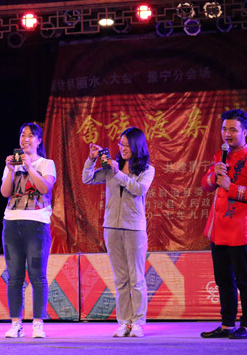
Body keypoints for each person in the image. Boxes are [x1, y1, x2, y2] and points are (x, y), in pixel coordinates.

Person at [200, 109, 247, 340]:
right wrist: (214, 176)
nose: (227, 134)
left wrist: (230, 187)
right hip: (219, 230)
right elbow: (206, 184)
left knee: (244, 280)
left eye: (232, 129)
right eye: (224, 129)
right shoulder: (221, 156)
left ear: (245, 132)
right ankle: (227, 324)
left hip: (241, 231)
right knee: (223, 280)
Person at [82, 127, 155, 338]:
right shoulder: (111, 166)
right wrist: (91, 159)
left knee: (136, 278)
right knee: (120, 279)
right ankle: (124, 322)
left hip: (134, 228)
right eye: (121, 144)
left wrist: (118, 173)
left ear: (136, 146)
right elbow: (87, 178)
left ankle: (138, 322)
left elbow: (139, 189)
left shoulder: (147, 169)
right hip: (111, 227)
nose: (122, 148)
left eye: (126, 145)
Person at [0, 122, 56, 338]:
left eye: (31, 136)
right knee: (14, 276)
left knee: (37, 275)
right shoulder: (12, 164)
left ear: (39, 141)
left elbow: (45, 187)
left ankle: (38, 323)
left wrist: (30, 167)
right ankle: (15, 324)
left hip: (37, 223)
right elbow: (5, 193)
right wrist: (10, 170)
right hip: (12, 222)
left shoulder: (46, 163)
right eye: (23, 135)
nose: (25, 139)